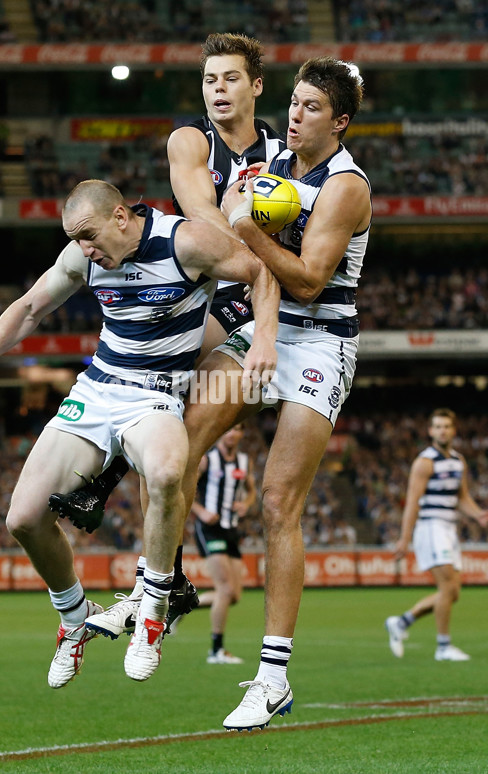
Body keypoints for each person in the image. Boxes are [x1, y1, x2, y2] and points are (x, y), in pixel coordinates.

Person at [0, 179, 278, 688]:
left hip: (156, 393)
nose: (84, 249)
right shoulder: (84, 257)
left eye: (89, 235)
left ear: (121, 217)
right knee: (23, 517)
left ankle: (152, 612)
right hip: (98, 390)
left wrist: (263, 342)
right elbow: (31, 307)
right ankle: (75, 621)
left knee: (167, 470)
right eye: (75, 238)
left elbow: (259, 270)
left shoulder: (184, 242)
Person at [171, 55, 370, 730]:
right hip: (266, 325)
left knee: (279, 501)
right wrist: (233, 214)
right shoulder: (274, 161)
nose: (295, 113)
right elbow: (230, 224)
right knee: (180, 438)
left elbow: (312, 279)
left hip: (321, 342)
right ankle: (162, 583)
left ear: (339, 122)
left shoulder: (347, 186)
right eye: (294, 102)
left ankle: (272, 677)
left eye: (312, 107)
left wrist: (254, 231)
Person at [48, 32, 285, 535]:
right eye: (209, 79)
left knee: (178, 418)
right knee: (160, 396)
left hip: (254, 293)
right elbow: (200, 211)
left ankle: (112, 503)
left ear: (257, 86)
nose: (218, 89)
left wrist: (262, 260)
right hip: (205, 289)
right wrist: (247, 244)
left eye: (231, 78)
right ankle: (124, 515)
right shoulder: (190, 140)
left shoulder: (280, 152)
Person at [385, 408, 488, 662]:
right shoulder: (425, 461)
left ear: (454, 430)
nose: (442, 430)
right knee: (447, 587)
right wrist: (404, 538)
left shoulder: (458, 461)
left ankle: (401, 622)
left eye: (447, 426)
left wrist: (479, 515)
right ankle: (443, 647)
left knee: (452, 593)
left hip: (448, 529)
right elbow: (412, 502)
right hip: (430, 527)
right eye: (438, 426)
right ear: (431, 431)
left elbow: (461, 498)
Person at [190, 422, 255, 664]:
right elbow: (186, 488)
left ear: (241, 433)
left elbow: (251, 491)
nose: (232, 433)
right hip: (209, 528)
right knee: (225, 589)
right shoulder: (208, 460)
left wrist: (246, 504)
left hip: (231, 529)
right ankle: (216, 650)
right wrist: (200, 511)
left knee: (234, 595)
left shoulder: (244, 462)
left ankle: (178, 608)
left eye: (238, 429)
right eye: (228, 428)